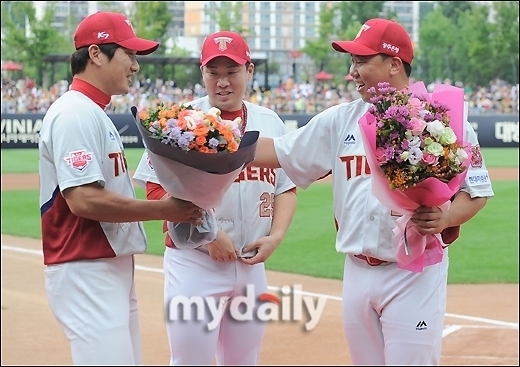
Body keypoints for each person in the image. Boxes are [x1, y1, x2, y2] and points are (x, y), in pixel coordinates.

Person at [250, 18, 494, 366]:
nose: (353, 71)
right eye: (353, 62)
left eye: (362, 61)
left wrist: (446, 217)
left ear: (394, 64)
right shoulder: (340, 120)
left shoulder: (443, 119)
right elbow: (278, 151)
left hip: (413, 272)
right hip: (356, 270)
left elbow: (477, 191)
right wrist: (217, 142)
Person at [38, 11, 206, 365]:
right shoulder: (74, 113)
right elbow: (83, 200)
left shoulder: (93, 111)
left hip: (107, 265)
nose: (135, 65)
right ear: (96, 54)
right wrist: (166, 210)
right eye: (128, 54)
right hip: (86, 265)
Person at [133, 30, 297, 365]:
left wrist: (276, 237)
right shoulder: (178, 120)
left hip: (252, 266)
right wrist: (209, 237)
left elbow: (286, 187)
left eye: (232, 72)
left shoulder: (270, 121)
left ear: (249, 70)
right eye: (214, 72)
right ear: (202, 73)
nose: (222, 82)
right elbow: (156, 189)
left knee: (243, 361)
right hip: (195, 263)